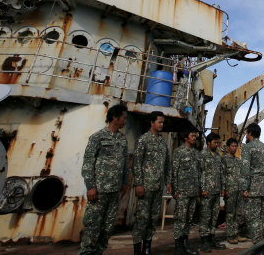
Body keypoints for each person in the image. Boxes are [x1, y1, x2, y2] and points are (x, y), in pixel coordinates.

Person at [78, 104, 129, 255]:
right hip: (99, 191)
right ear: (115, 117)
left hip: (114, 191)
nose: (125, 121)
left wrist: (125, 182)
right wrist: (90, 186)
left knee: (107, 228)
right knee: (93, 227)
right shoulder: (98, 137)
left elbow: (125, 163)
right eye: (124, 117)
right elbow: (88, 163)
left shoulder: (122, 139)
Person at [132, 111, 172, 255]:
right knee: (141, 218)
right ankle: (137, 249)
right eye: (159, 122)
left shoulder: (162, 142)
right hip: (145, 186)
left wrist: (168, 181)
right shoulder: (143, 140)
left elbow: (167, 164)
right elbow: (136, 163)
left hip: (158, 187)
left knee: (153, 218)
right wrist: (138, 184)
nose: (161, 125)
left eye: (162, 122)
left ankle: (147, 248)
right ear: (152, 122)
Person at [241, 123, 264, 255]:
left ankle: (258, 247)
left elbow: (245, 169)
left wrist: (244, 188)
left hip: (253, 188)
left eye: (247, 133)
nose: (246, 135)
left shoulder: (248, 148)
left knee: (253, 219)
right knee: (263, 217)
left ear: (250, 133)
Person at [172, 129, 201, 255]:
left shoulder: (196, 153)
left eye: (195, 136)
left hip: (193, 192)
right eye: (192, 135)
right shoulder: (179, 152)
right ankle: (178, 247)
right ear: (186, 137)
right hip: (182, 192)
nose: (194, 137)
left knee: (189, 220)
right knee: (180, 220)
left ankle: (185, 245)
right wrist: (174, 189)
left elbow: (199, 173)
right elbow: (174, 171)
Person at [199, 132, 226, 252]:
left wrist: (222, 188)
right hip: (207, 191)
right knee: (205, 216)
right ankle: (204, 241)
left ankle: (212, 238)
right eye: (215, 142)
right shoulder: (202, 155)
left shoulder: (218, 157)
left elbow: (221, 174)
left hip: (216, 191)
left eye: (218, 143)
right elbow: (200, 174)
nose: (217, 145)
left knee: (214, 216)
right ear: (209, 143)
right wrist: (202, 189)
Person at [221, 138, 248, 244]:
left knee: (237, 213)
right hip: (230, 191)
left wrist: (243, 189)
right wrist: (224, 189)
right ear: (228, 147)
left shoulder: (238, 161)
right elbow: (222, 175)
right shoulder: (224, 160)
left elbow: (242, 176)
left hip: (238, 190)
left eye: (235, 146)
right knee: (230, 213)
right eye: (232, 146)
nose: (234, 148)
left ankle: (236, 233)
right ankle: (230, 234)